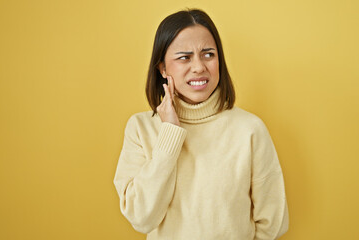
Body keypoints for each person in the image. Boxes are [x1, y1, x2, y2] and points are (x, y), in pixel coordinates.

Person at [113, 8, 289, 240]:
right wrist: (170, 134)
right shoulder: (140, 128)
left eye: (208, 54)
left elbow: (272, 222)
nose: (199, 67)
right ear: (162, 68)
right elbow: (141, 217)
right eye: (184, 57)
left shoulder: (250, 130)